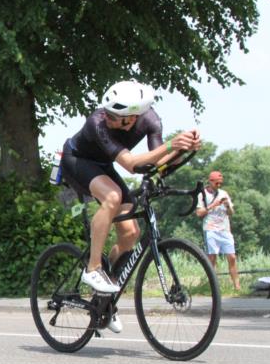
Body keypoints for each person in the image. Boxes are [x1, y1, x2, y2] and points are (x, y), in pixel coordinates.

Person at [59, 80, 201, 333]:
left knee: (130, 233)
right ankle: (93, 268)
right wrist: (172, 144)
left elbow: (158, 163)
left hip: (103, 166)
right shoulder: (97, 122)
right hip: (76, 161)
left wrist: (182, 149)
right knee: (112, 197)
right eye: (108, 113)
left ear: (133, 117)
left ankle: (105, 297)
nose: (108, 117)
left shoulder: (151, 121)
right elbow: (132, 164)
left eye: (114, 116)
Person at [197, 170, 240, 291]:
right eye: (217, 183)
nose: (219, 185)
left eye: (220, 183)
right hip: (211, 229)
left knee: (232, 257)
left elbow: (231, 213)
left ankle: (237, 287)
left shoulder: (224, 193)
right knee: (212, 258)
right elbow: (199, 213)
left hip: (225, 230)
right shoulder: (202, 194)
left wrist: (227, 206)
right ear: (210, 181)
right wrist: (213, 205)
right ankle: (213, 288)